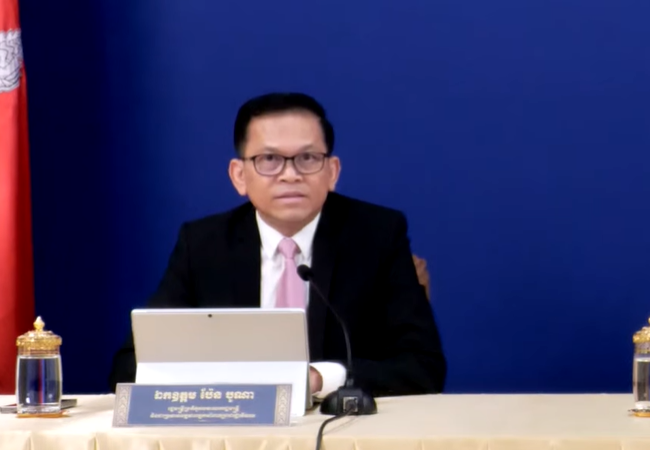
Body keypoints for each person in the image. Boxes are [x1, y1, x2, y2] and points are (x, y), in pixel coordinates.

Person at [108, 92, 446, 397]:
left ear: (332, 172)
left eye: (307, 158)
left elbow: (423, 367)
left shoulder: (377, 236)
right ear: (239, 176)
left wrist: (320, 378)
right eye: (269, 159)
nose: (290, 174)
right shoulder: (203, 245)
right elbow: (131, 367)